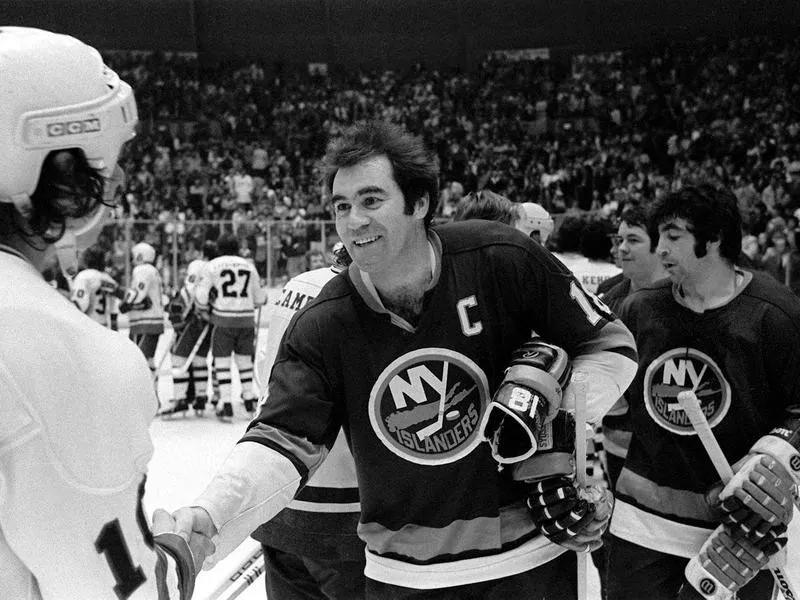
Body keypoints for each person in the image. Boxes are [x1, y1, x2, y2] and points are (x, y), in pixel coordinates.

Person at [168, 120, 637, 598]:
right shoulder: (325, 321)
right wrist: (211, 513)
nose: (354, 221)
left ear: (420, 204)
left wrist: (554, 418)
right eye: (342, 206)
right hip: (405, 577)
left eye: (372, 200)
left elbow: (610, 345)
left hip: (531, 564)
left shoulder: (501, 256)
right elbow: (280, 439)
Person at [0, 26, 211, 599]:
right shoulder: (61, 351)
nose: (112, 183)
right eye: (107, 163)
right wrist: (169, 559)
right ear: (61, 170)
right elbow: (115, 590)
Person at [606, 184, 800, 600]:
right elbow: (605, 389)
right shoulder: (639, 308)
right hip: (642, 522)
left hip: (740, 527)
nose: (661, 249)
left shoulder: (775, 314)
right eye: (659, 236)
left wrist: (776, 460)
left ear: (712, 240)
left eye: (674, 236)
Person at [253, 243, 365, 599]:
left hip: (277, 487)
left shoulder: (296, 285)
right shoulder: (364, 299)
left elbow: (263, 371)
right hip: (343, 504)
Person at [194, 232, 268, 420]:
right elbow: (260, 298)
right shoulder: (249, 266)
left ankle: (226, 403)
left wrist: (203, 310)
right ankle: (250, 401)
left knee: (222, 362)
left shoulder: (212, 265)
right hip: (246, 320)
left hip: (223, 320)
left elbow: (201, 296)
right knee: (244, 362)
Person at [161, 240, 218, 416]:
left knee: (178, 359)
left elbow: (184, 297)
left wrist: (177, 319)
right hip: (208, 323)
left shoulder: (194, 273)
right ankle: (201, 398)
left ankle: (180, 399)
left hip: (192, 324)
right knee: (200, 360)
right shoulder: (214, 273)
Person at [120, 241, 166, 381]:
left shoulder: (142, 270)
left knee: (140, 361)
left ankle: (145, 397)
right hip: (152, 320)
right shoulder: (152, 270)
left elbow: (138, 293)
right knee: (148, 360)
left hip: (145, 322)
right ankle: (153, 395)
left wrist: (126, 303)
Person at [70, 244, 121, 330]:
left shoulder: (83, 276)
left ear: (88, 259)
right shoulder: (107, 278)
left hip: (88, 326)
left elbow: (81, 303)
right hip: (104, 326)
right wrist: (114, 322)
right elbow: (115, 303)